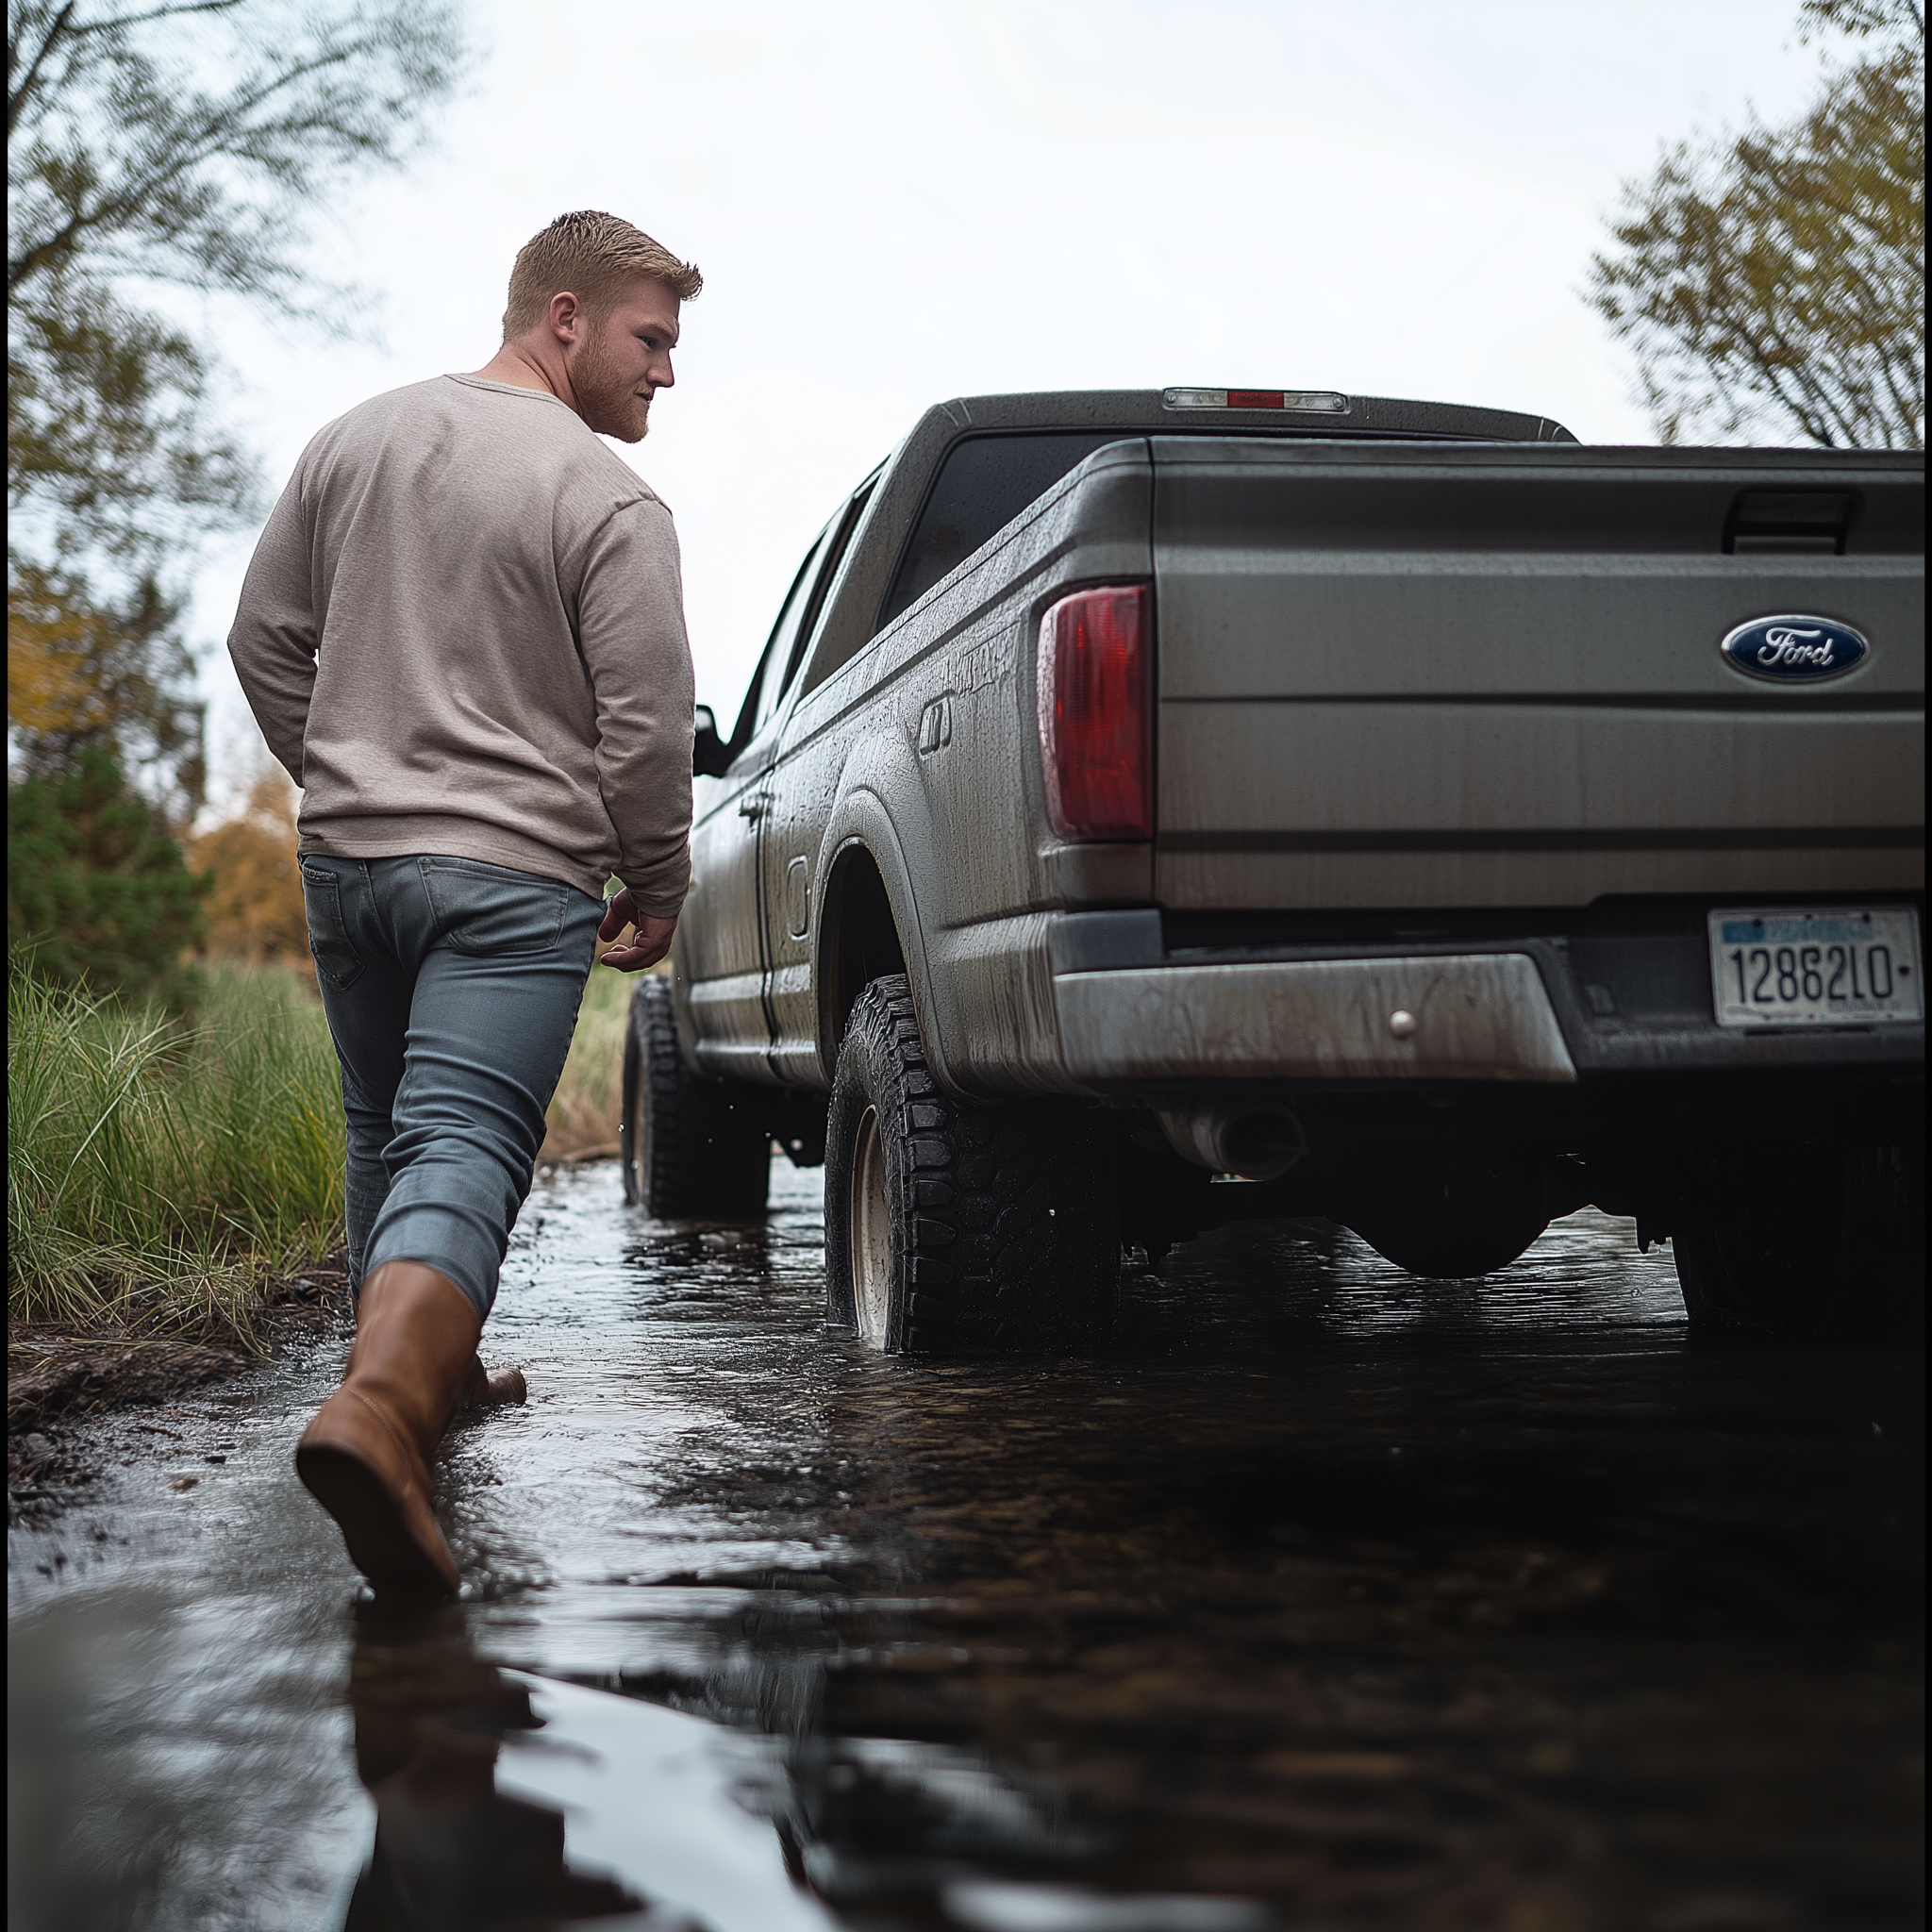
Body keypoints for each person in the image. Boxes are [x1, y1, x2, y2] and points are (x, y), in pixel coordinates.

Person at [227, 210, 702, 1595]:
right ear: (563, 315)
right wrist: (654, 877)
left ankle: (405, 1377)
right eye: (649, 337)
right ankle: (379, 1410)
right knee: (466, 1149)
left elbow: (264, 640)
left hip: (350, 867)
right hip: (508, 881)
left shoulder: (354, 440)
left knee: (391, 1129)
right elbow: (646, 725)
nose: (666, 372)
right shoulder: (605, 499)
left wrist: (347, 776)